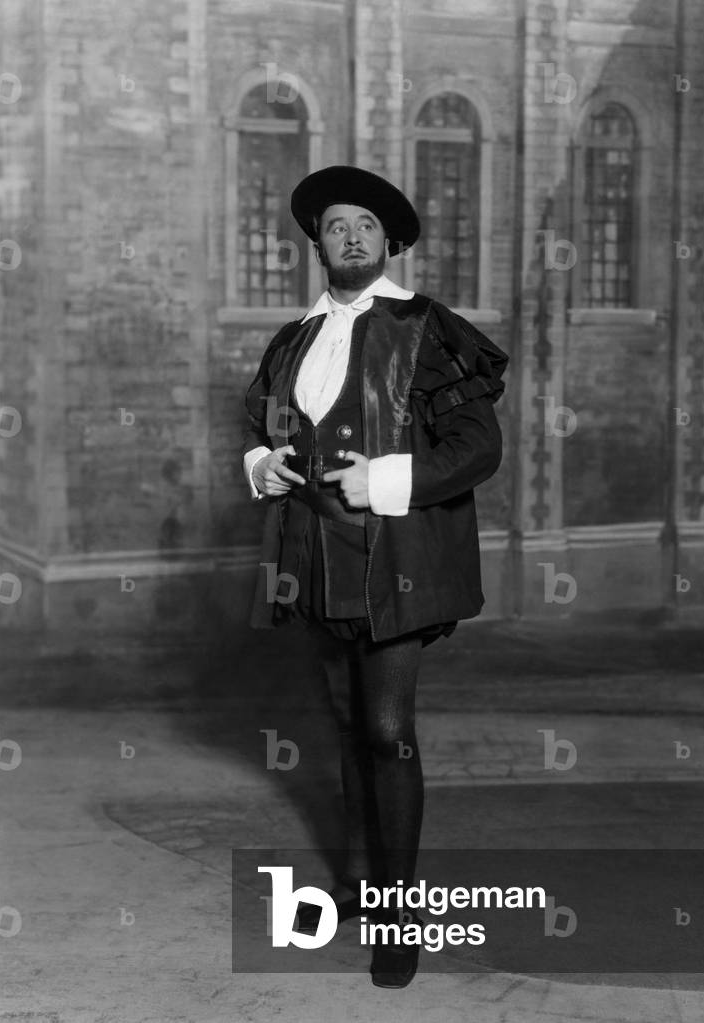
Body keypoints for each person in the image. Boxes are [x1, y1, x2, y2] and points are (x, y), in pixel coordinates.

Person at [241, 165, 508, 987]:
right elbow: (262, 425)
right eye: (334, 226)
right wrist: (264, 464)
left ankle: (401, 917)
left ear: (386, 241)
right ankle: (362, 885)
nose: (350, 236)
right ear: (316, 244)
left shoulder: (428, 328)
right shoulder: (292, 338)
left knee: (388, 731)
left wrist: (385, 479)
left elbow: (477, 447)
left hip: (393, 562)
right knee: (349, 729)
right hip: (312, 564)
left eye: (364, 224)